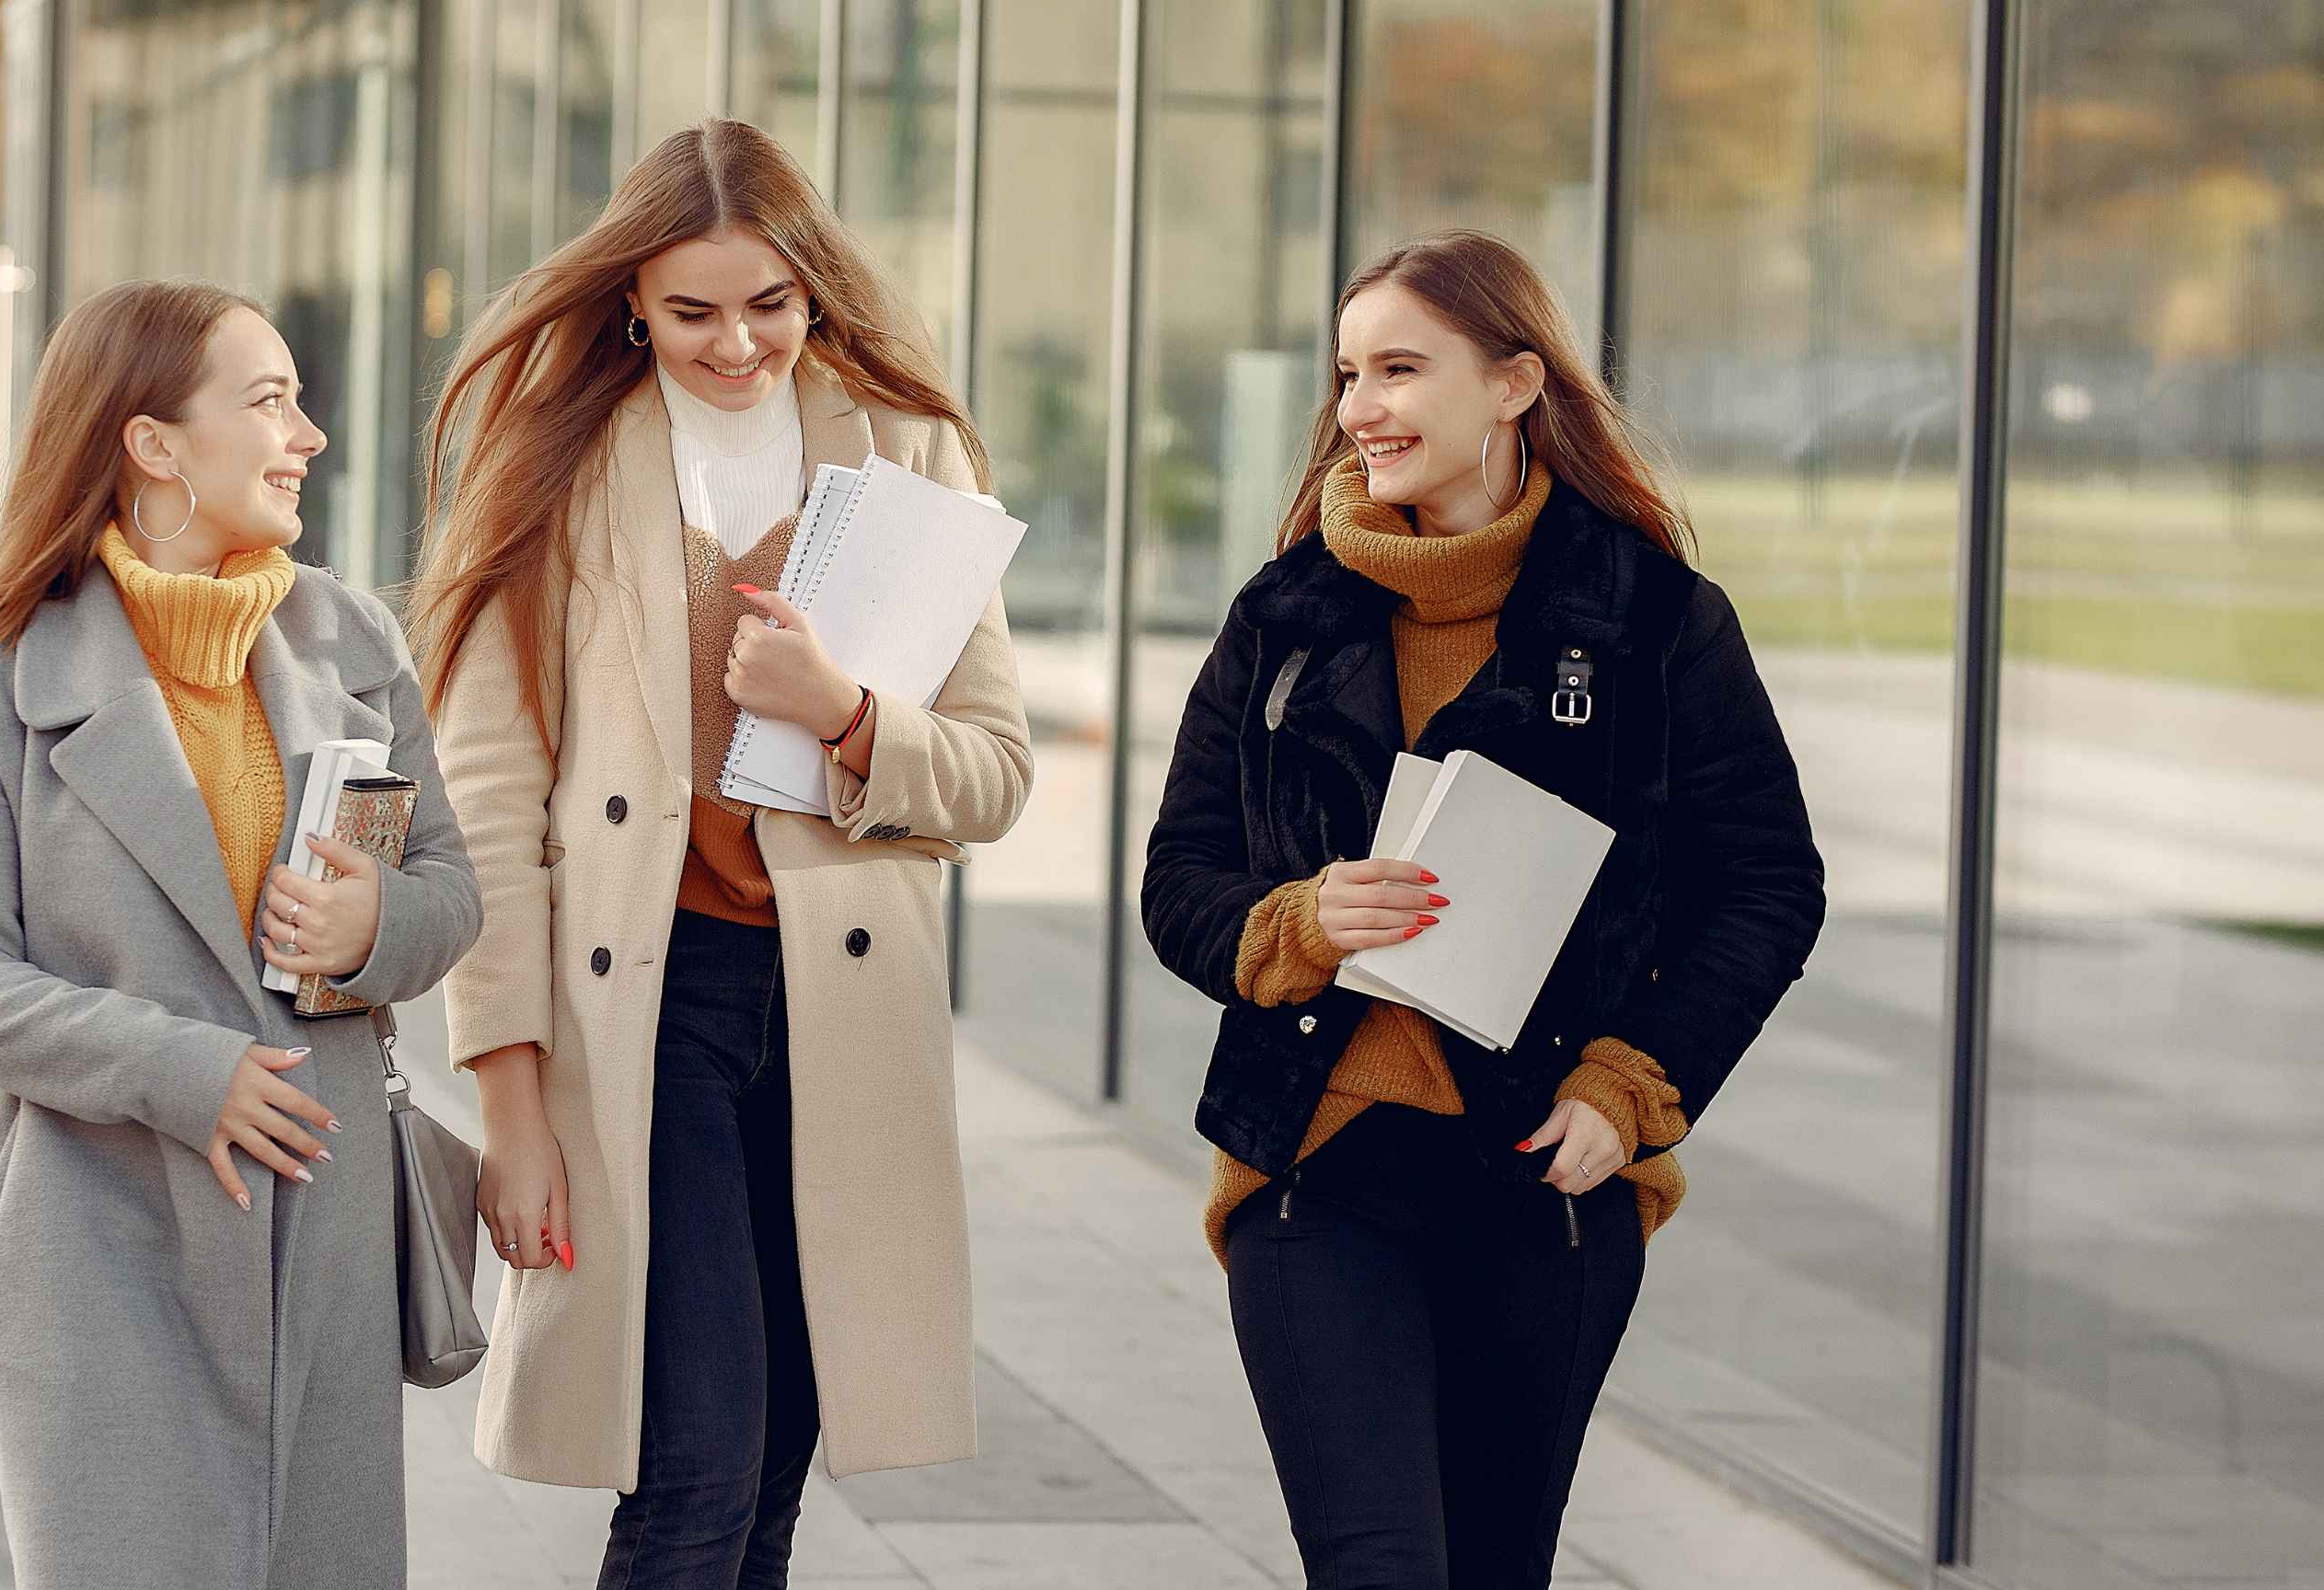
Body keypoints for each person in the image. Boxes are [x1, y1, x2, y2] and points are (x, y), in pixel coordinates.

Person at [1141, 229, 1826, 1588]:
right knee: (1382, 1565)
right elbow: (1182, 882)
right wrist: (1302, 922)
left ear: (1516, 383)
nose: (1360, 409)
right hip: (1314, 1172)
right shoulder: (1283, 618)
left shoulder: (1654, 623)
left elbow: (1766, 887)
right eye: (1349, 374)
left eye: (1402, 369)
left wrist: (1630, 1088)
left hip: (1547, 1184)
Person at [408, 118, 1034, 1587]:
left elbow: (995, 776)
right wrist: (511, 1106)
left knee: (769, 1482)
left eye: (769, 304)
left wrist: (851, 718)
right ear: (632, 297)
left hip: (837, 1013)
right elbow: (490, 799)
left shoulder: (912, 454)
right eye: (693, 310)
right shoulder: (552, 462)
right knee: (692, 1466)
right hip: (646, 1014)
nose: (736, 343)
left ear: (814, 290)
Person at [0, 279, 482, 1589]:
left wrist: (369, 922)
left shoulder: (354, 641)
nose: (308, 433)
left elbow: (450, 885)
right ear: (154, 443)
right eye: (270, 401)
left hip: (322, 1238)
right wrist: (181, 1071)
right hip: (98, 1242)